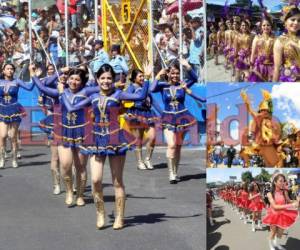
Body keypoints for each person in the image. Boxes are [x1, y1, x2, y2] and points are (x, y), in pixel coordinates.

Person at [61, 63, 150, 229]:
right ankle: (100, 213)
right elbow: (72, 107)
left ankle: (119, 217)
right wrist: (63, 92)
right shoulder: (92, 96)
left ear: (113, 79)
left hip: (116, 138)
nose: (106, 81)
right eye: (103, 78)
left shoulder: (119, 94)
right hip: (96, 138)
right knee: (95, 180)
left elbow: (140, 97)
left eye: (109, 78)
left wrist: (147, 79)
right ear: (97, 79)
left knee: (117, 181)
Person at [32, 68, 99, 207]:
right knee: (65, 165)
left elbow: (104, 87)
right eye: (72, 79)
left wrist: (116, 83)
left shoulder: (86, 92)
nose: (74, 82)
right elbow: (42, 88)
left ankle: (80, 195)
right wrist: (33, 74)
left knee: (81, 166)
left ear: (82, 82)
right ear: (67, 79)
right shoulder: (60, 91)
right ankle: (69, 191)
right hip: (64, 132)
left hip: (82, 133)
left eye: (77, 80)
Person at [151, 59, 198, 184]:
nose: (175, 75)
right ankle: (171, 174)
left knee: (178, 147)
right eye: (172, 73)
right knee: (171, 145)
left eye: (177, 73)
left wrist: (187, 66)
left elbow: (194, 78)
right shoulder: (163, 86)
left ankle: (175, 172)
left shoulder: (183, 85)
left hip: (183, 117)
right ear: (168, 74)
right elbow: (152, 88)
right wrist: (158, 75)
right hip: (168, 118)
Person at [0, 63, 34, 169]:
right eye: (8, 69)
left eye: (12, 69)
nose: (10, 71)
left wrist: (32, 73)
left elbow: (29, 87)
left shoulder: (17, 81)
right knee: (3, 135)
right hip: (2, 109)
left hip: (14, 109)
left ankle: (14, 159)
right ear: (3, 70)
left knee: (13, 136)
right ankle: (2, 159)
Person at [124, 69, 159, 170]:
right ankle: (139, 161)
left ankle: (148, 159)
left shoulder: (146, 86)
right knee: (138, 139)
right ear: (134, 78)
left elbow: (154, 102)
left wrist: (163, 114)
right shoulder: (131, 88)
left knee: (152, 137)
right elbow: (127, 98)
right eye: (140, 76)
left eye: (143, 76)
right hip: (136, 113)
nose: (142, 78)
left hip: (148, 114)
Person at [262, 173, 299, 250]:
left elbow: (289, 201)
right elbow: (275, 207)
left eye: (283, 181)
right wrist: (291, 206)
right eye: (280, 181)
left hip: (282, 214)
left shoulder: (284, 192)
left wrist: (296, 201)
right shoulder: (269, 193)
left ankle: (276, 243)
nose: (282, 183)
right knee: (273, 232)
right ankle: (271, 245)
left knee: (280, 234)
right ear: (275, 182)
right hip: (273, 215)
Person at [273, 6, 300, 82]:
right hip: (290, 81)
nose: (296, 23)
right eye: (293, 20)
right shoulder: (280, 41)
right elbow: (277, 68)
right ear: (285, 22)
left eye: (299, 20)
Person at [249, 16, 275, 82]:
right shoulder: (257, 38)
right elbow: (253, 53)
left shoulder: (275, 39)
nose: (266, 27)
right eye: (264, 25)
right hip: (259, 66)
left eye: (268, 25)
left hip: (271, 67)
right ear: (261, 26)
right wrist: (251, 66)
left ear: (271, 26)